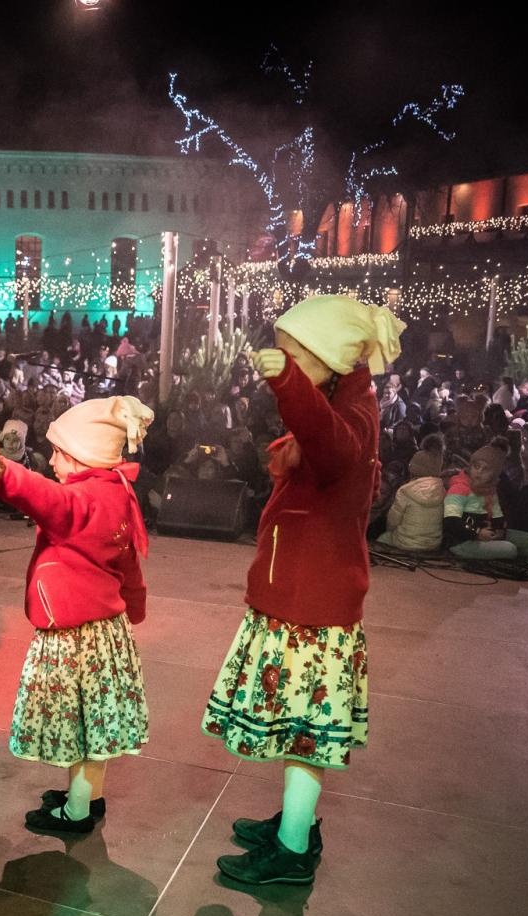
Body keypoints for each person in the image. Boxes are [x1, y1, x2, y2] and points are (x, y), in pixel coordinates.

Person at [202, 295, 404, 885]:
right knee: (298, 728)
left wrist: (288, 384)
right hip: (301, 597)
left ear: (327, 359)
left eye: (294, 354)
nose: (283, 359)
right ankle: (296, 822)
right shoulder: (348, 400)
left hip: (312, 608)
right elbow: (320, 441)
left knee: (305, 731)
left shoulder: (353, 413)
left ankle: (292, 852)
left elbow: (332, 442)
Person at [0, 395, 154, 834]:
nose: (53, 461)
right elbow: (128, 563)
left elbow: (45, 498)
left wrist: (3, 474)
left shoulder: (82, 503)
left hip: (73, 637)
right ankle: (88, 798)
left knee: (79, 728)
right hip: (105, 633)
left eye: (60, 453)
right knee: (95, 723)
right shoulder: (115, 492)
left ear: (84, 457)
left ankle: (76, 813)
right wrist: (134, 607)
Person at [444, 441, 528, 562]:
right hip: (460, 541)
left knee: (527, 540)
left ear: (494, 474)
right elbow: (451, 522)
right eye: (476, 466)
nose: (479, 472)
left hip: (485, 533)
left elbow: (497, 516)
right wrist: (477, 533)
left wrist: (499, 530)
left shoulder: (490, 490)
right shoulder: (459, 488)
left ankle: (524, 571)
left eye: (486, 469)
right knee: (510, 549)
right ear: (470, 466)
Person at [376, 449, 445, 552]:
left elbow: (393, 521)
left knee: (382, 538)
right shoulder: (442, 490)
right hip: (433, 544)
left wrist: (390, 531)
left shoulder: (405, 490)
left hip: (404, 542)